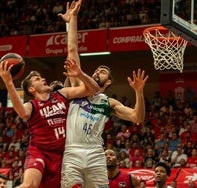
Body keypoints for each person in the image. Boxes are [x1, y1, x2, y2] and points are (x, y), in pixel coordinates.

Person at [0, 5, 99, 187]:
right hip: (40, 151)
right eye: (37, 79)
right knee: (29, 185)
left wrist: (80, 74)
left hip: (64, 154)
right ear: (31, 90)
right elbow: (21, 112)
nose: (43, 78)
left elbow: (92, 89)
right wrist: (8, 82)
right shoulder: (32, 106)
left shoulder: (62, 94)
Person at [58, 0, 148, 187]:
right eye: (97, 70)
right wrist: (72, 20)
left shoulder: (108, 102)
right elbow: (73, 49)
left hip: (95, 153)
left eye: (103, 71)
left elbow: (137, 117)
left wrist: (139, 93)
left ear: (108, 82)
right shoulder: (78, 88)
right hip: (72, 150)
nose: (98, 71)